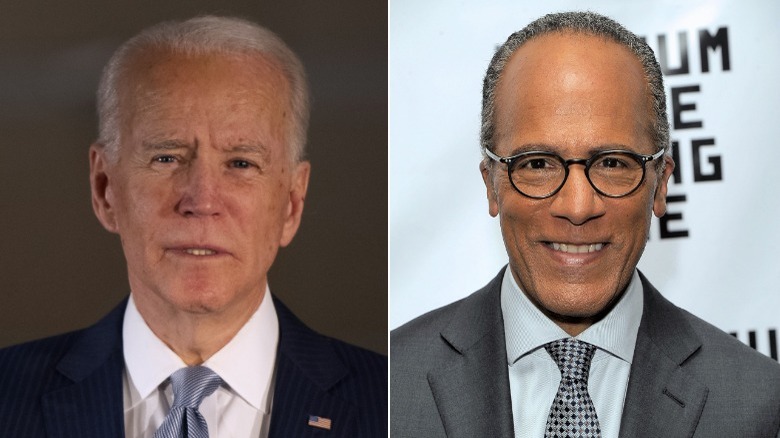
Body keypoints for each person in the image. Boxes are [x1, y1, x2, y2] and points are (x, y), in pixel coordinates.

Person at [391, 11, 780, 438]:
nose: (578, 207)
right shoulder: (390, 383)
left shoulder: (758, 402)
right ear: (491, 185)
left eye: (613, 163)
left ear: (661, 183)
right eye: (537, 163)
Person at [0, 16, 386, 437]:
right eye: (166, 157)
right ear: (105, 187)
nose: (201, 201)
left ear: (292, 203)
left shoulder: (385, 402)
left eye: (241, 163)